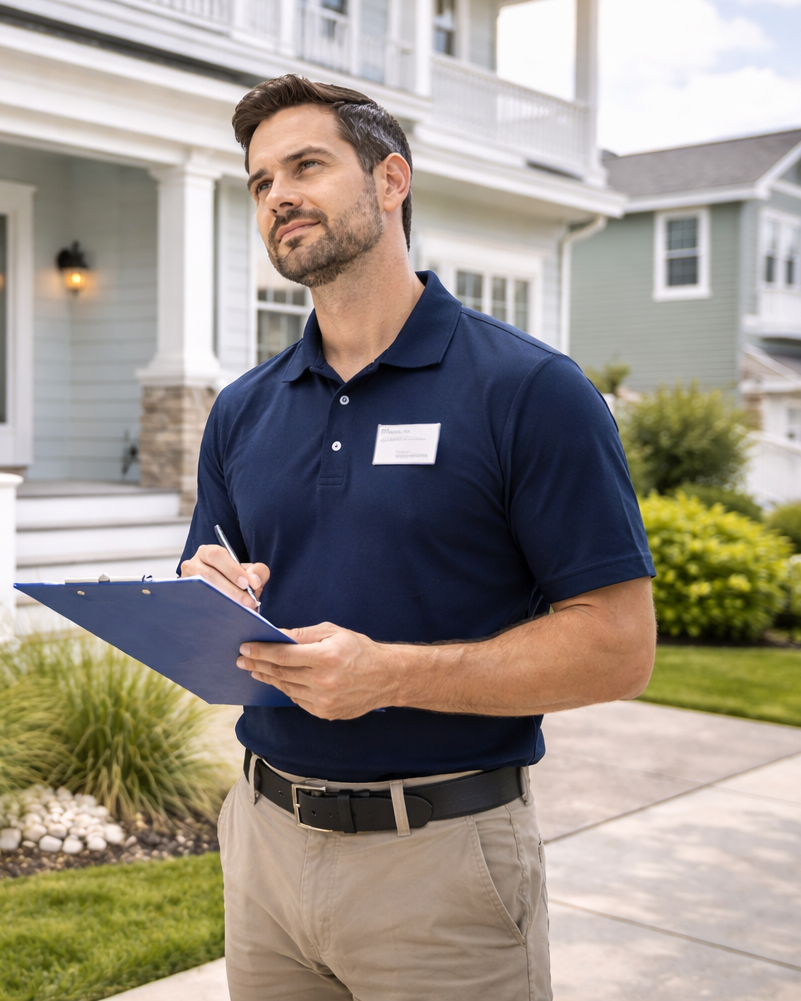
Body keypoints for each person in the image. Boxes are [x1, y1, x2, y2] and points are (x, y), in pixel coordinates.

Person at [178, 74, 657, 1001]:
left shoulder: (530, 391)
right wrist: (206, 592)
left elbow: (618, 648)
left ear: (391, 179)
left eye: (306, 165)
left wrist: (390, 675)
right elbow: (212, 597)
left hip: (443, 866)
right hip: (266, 851)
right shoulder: (242, 411)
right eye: (260, 180)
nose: (278, 194)